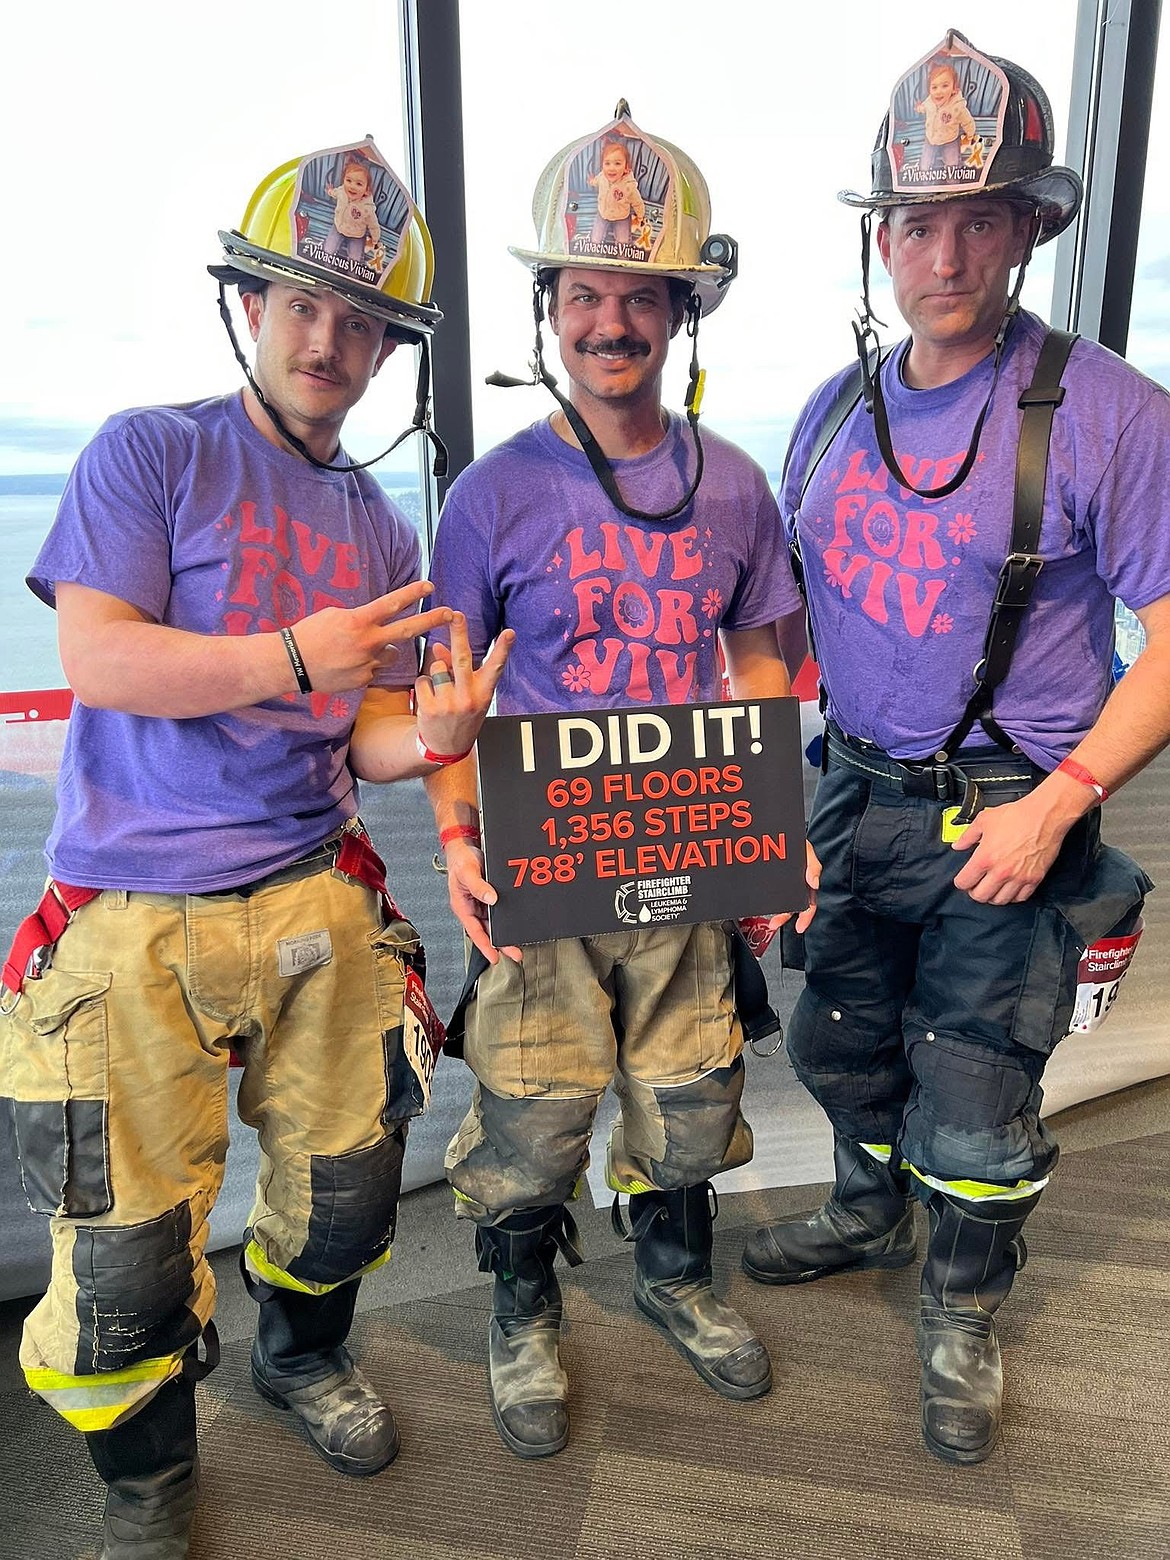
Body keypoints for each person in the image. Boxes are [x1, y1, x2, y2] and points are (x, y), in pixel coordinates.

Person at [0, 139, 509, 1558]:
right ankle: (149, 1480)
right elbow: (100, 658)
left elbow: (358, 741)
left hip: (306, 883)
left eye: (360, 322)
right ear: (247, 304)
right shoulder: (150, 451)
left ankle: (298, 1356)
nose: (329, 342)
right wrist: (300, 649)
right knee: (121, 1251)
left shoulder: (368, 519)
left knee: (347, 1174)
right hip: (129, 902)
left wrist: (445, 734)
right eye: (302, 305)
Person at [742, 29, 1170, 1467]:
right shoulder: (826, 414)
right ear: (882, 242)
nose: (941, 253)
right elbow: (776, 633)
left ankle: (962, 1308)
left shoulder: (1110, 415)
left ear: (1025, 230)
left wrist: (1059, 805)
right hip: (851, 790)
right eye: (914, 222)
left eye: (974, 219)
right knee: (839, 1041)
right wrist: (733, 808)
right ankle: (867, 1207)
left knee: (977, 1090)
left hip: (1008, 808)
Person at [424, 100, 815, 1461]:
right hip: (538, 864)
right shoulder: (486, 496)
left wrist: (775, 831)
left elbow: (761, 669)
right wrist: (453, 838)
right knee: (530, 1107)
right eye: (583, 294)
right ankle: (522, 1303)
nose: (610, 323)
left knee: (689, 1089)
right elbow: (444, 705)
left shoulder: (735, 489)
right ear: (548, 309)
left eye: (637, 297)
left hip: (688, 851)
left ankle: (671, 1275)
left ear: (678, 313)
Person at [916, 59, 976, 172]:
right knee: (924, 163)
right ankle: (924, 180)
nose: (939, 91)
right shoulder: (929, 101)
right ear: (929, 90)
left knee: (952, 163)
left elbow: (968, 121)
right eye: (934, 87)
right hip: (931, 138)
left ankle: (953, 183)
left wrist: (970, 135)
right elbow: (924, 108)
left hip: (950, 139)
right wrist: (919, 108)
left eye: (945, 86)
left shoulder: (957, 106)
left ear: (954, 89)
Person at [588, 137, 646, 247]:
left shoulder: (628, 186)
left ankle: (623, 260)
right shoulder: (602, 177)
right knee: (595, 239)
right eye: (607, 163)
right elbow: (596, 181)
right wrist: (591, 181)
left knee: (623, 242)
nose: (611, 168)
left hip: (621, 217)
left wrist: (640, 215)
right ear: (602, 165)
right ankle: (595, 258)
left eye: (617, 163)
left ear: (626, 168)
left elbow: (637, 202)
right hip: (603, 213)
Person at [325, 154, 381, 263]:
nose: (352, 186)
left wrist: (375, 238)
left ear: (367, 190)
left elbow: (373, 225)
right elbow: (335, 193)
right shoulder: (342, 191)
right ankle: (327, 267)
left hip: (357, 235)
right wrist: (330, 191)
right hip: (338, 227)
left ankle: (352, 275)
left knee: (355, 260)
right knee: (327, 250)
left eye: (359, 184)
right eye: (348, 180)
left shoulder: (367, 207)